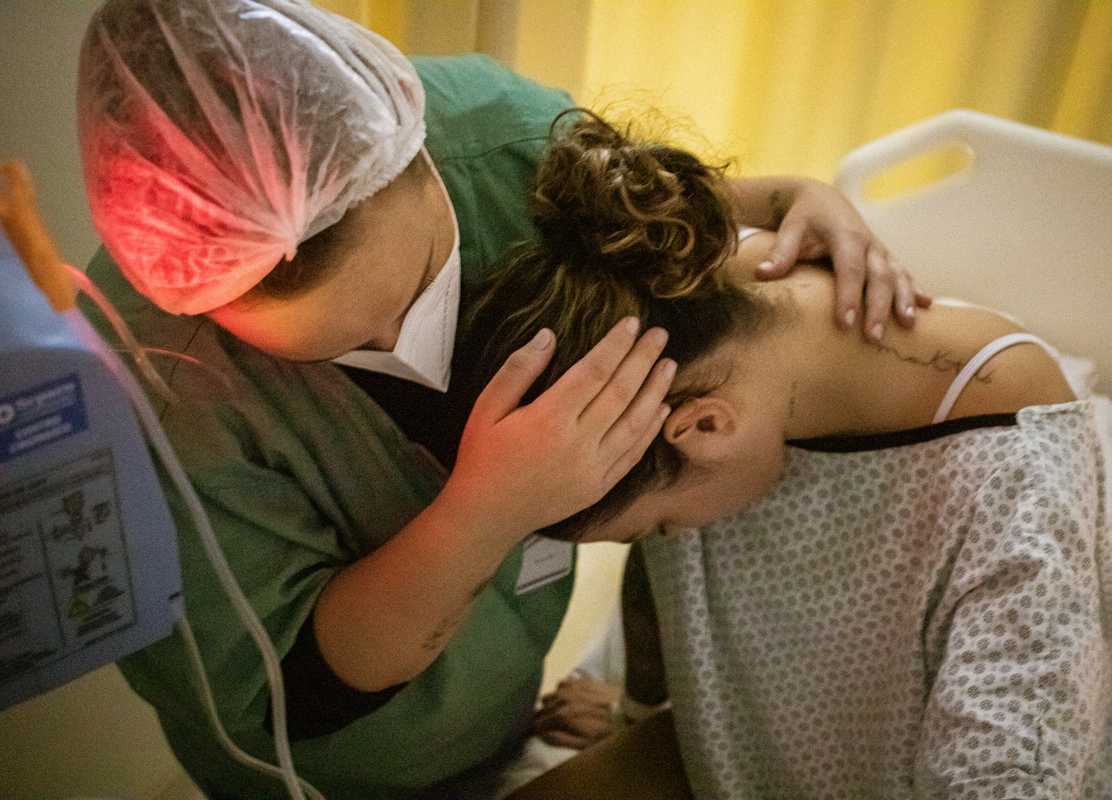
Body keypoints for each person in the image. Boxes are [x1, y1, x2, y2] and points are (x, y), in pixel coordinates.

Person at [73, 1, 920, 797]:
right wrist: (486, 511)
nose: (403, 348)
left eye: (419, 290)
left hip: (509, 699)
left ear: (418, 150)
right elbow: (292, 691)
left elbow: (641, 231)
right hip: (331, 773)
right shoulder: (153, 375)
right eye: (335, 350)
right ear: (204, 296)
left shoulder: (500, 137)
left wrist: (788, 200)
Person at [449, 115, 1112, 799]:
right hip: (750, 731)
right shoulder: (675, 307)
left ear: (706, 427)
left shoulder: (1016, 490)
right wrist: (637, 708)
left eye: (657, 526)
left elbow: (1010, 774)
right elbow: (659, 581)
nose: (670, 543)